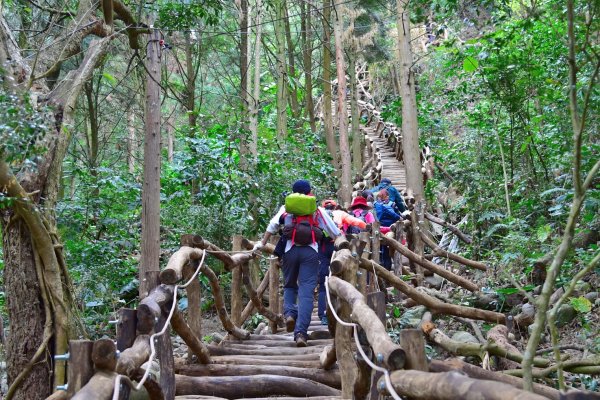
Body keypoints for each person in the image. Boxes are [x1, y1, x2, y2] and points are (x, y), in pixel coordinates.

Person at [254, 180, 341, 346]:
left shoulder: (287, 208)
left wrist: (262, 243)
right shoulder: (316, 208)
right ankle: (301, 333)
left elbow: (272, 226)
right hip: (310, 253)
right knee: (306, 292)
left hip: (289, 251)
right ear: (310, 192)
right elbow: (334, 232)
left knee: (289, 286)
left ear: (292, 191)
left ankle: (289, 314)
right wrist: (341, 243)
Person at [374, 189, 401, 270]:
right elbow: (397, 216)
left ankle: (382, 266)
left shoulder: (375, 205)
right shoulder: (392, 204)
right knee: (391, 247)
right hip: (391, 228)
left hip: (379, 228)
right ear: (386, 196)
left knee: (382, 248)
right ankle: (391, 266)